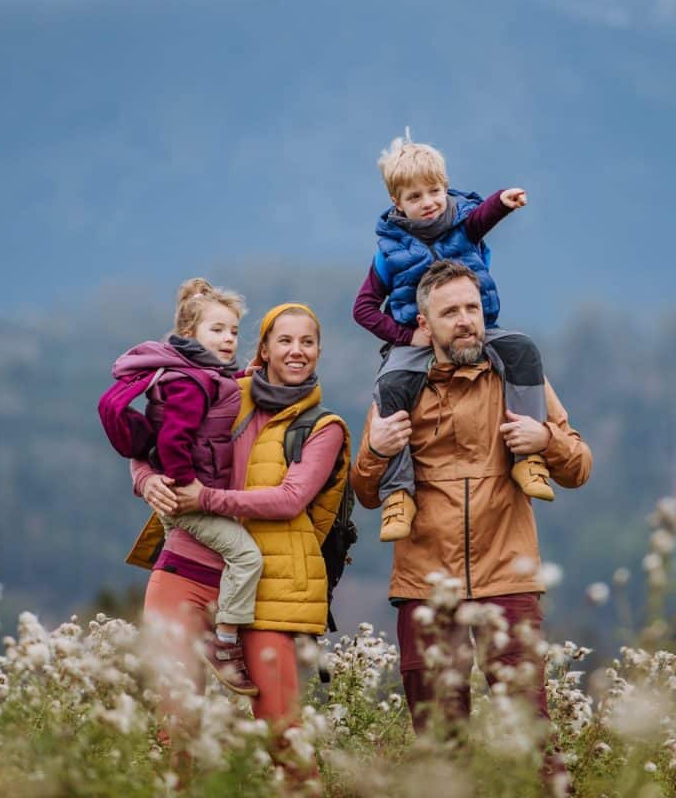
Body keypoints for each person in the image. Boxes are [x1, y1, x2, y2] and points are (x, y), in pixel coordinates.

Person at [350, 260, 592, 771]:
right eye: (450, 312)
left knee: (530, 732)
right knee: (440, 741)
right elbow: (366, 493)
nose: (465, 321)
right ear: (425, 323)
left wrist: (544, 440)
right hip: (423, 581)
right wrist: (374, 450)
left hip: (508, 574)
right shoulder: (396, 385)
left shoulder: (518, 378)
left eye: (472, 308)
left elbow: (579, 466)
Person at [127, 302, 350, 761]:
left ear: (319, 351)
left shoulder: (324, 428)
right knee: (175, 726)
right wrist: (146, 481)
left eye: (307, 342)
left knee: (282, 731)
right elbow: (147, 443)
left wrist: (204, 499)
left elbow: (291, 500)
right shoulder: (221, 390)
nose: (296, 351)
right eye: (284, 340)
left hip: (264, 588)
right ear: (263, 349)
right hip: (184, 570)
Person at [353, 136, 554, 543]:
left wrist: (505, 199)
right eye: (416, 196)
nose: (429, 202)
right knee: (389, 386)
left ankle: (527, 456)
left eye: (435, 191)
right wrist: (406, 335)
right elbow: (364, 308)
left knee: (523, 351)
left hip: (480, 331)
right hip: (420, 343)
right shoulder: (388, 251)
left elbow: (484, 216)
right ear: (397, 202)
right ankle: (398, 495)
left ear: (446, 188)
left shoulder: (463, 223)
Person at [111, 277, 263, 695]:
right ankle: (225, 643)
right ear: (189, 334)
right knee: (247, 556)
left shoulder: (202, 374)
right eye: (217, 330)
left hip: (185, 503)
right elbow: (171, 438)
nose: (229, 338)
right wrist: (182, 484)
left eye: (233, 331)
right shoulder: (191, 382)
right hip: (188, 500)